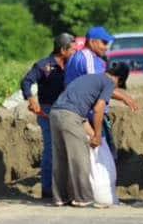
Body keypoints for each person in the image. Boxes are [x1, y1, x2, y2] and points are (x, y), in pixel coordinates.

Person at [49, 63, 129, 207]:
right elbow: (99, 109)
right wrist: (98, 135)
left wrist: (93, 135)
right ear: (119, 80)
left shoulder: (89, 79)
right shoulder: (109, 82)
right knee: (80, 158)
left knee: (61, 158)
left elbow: (81, 116)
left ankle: (61, 198)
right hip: (69, 116)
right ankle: (83, 198)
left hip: (55, 114)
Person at [20, 33, 78, 199]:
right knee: (51, 149)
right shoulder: (43, 65)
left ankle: (66, 187)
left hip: (68, 110)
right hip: (47, 111)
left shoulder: (72, 65)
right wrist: (31, 98)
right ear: (62, 49)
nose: (75, 51)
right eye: (72, 48)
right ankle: (47, 189)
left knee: (69, 148)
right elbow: (26, 82)